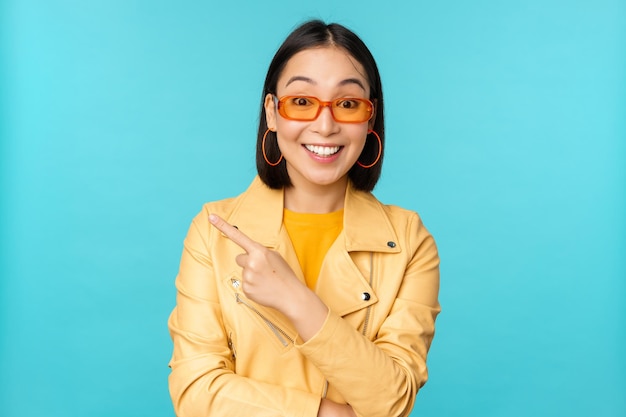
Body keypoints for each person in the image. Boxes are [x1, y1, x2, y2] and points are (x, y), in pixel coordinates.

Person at [168, 19, 440, 417]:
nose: (325, 125)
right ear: (272, 114)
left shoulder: (408, 240)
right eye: (301, 102)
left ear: (370, 118)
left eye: (347, 104)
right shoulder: (213, 230)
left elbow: (393, 400)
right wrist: (326, 413)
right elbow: (195, 392)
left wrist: (296, 300)